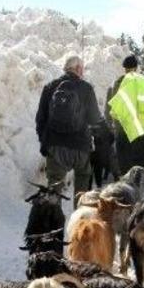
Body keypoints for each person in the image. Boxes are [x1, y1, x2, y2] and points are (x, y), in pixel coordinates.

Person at [35, 55, 103, 201]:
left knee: (54, 190)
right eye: (82, 69)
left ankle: (53, 221)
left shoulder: (50, 87)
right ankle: (79, 220)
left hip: (56, 146)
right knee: (82, 189)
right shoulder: (87, 88)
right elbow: (94, 119)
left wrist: (45, 143)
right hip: (80, 148)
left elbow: (40, 119)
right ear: (78, 68)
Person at [106, 55, 144, 173]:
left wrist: (113, 131)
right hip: (141, 135)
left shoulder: (115, 85)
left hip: (122, 135)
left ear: (124, 68)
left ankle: (124, 189)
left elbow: (108, 111)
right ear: (136, 67)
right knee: (140, 171)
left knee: (124, 171)